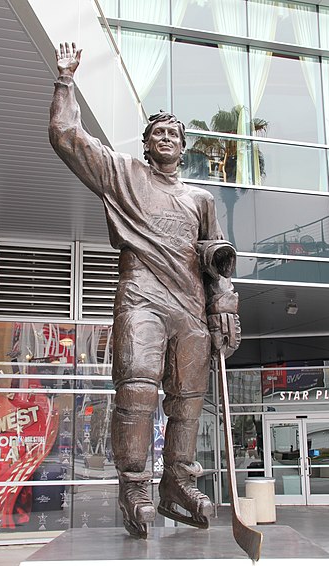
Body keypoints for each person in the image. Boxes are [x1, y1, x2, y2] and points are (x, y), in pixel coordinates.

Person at [49, 42, 241, 539]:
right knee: (136, 390)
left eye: (174, 134)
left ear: (184, 145)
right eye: (158, 133)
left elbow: (216, 258)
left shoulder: (202, 198)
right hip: (142, 294)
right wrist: (66, 81)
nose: (167, 139)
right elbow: (68, 136)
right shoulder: (125, 175)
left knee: (189, 399)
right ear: (147, 142)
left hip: (190, 305)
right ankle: (134, 485)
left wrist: (224, 301)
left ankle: (177, 483)